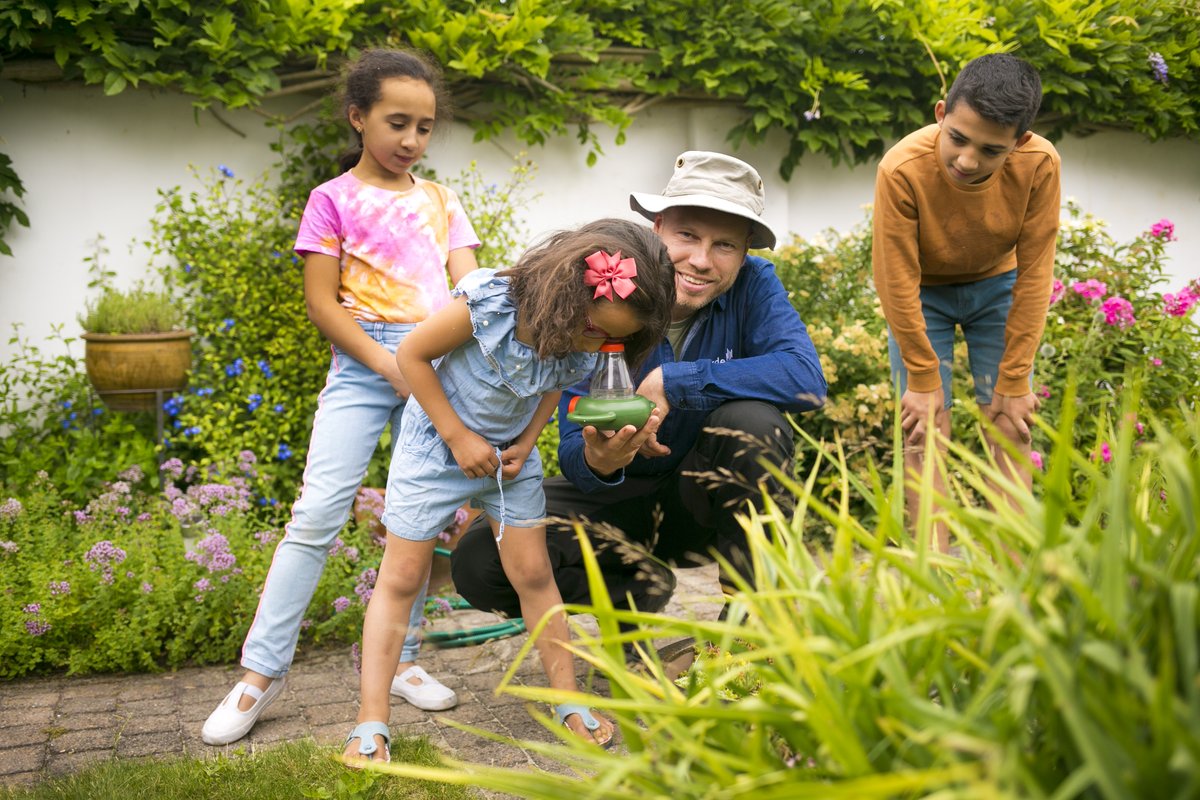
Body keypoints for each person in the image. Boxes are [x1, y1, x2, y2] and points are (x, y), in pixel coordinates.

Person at [201, 49, 480, 746]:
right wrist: (391, 364)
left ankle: (406, 663)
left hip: (435, 359)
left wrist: (445, 362)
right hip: (363, 365)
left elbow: (471, 291)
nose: (412, 139)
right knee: (318, 510)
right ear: (358, 118)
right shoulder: (331, 199)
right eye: (396, 122)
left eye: (424, 126)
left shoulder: (443, 201)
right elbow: (324, 305)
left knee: (415, 516)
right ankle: (258, 676)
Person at [450, 151, 827, 655]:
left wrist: (676, 380)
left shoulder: (756, 286)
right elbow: (570, 442)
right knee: (480, 557)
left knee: (754, 422)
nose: (701, 260)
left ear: (743, 253)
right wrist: (598, 462)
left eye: (725, 245)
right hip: (619, 504)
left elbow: (805, 378)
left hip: (702, 503)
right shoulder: (606, 287)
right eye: (688, 236)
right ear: (658, 227)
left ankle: (750, 628)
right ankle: (634, 587)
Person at [341, 219, 677, 762]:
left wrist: (525, 440)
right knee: (402, 578)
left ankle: (567, 701)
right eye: (591, 328)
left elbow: (556, 383)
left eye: (610, 338)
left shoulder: (591, 335)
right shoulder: (491, 304)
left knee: (535, 573)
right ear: (564, 294)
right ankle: (371, 719)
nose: (595, 343)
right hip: (435, 445)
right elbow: (412, 357)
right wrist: (456, 436)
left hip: (510, 459)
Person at [871, 53, 1061, 552]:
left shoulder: (1040, 164)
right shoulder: (901, 168)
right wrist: (922, 375)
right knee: (924, 427)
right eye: (957, 138)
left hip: (996, 288)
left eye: (991, 150)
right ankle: (933, 574)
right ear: (940, 114)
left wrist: (1015, 378)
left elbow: (1037, 268)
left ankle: (1015, 574)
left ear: (1018, 144)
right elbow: (895, 276)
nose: (968, 160)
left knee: (1011, 424)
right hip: (922, 295)